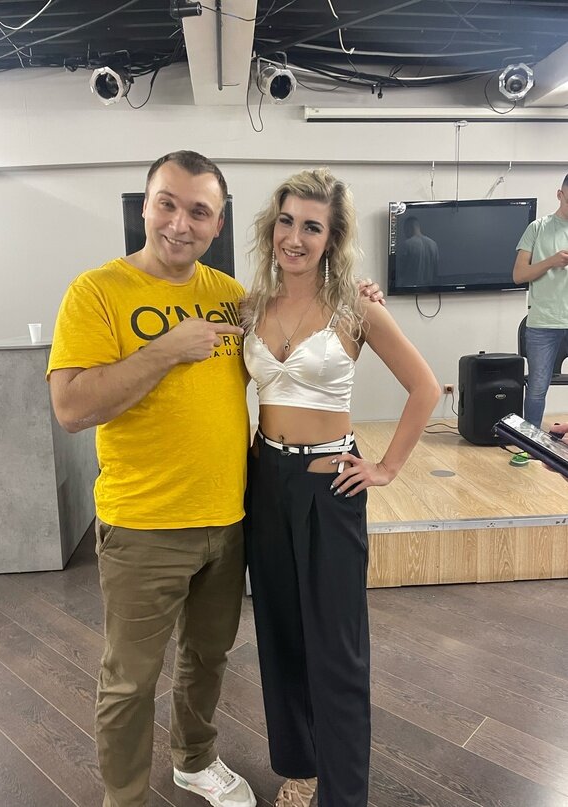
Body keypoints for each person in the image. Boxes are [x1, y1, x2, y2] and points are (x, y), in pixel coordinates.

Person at [47, 150, 384, 807]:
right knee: (130, 679)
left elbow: (301, 319)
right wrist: (164, 350)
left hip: (231, 518)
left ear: (218, 222)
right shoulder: (97, 290)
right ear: (145, 206)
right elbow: (71, 409)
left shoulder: (232, 297)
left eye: (198, 211)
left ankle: (194, 760)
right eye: (167, 204)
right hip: (143, 524)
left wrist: (356, 295)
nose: (180, 223)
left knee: (208, 658)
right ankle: (124, 797)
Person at [242, 168, 440, 807]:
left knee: (337, 648)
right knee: (279, 633)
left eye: (312, 227)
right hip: (265, 481)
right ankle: (301, 766)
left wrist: (384, 468)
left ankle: (344, 794)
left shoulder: (358, 307)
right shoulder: (252, 306)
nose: (294, 237)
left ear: (332, 237)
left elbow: (425, 388)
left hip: (329, 485)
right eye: (286, 221)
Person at [513, 175, 568, 431]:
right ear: (559, 194)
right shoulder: (538, 228)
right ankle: (529, 443)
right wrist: (551, 261)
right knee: (536, 389)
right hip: (543, 323)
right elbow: (519, 275)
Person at [398, 215, 439, 286]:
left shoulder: (407, 244)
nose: (405, 233)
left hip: (409, 287)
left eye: (405, 229)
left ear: (409, 227)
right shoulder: (433, 244)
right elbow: (436, 270)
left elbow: (400, 270)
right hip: (429, 288)